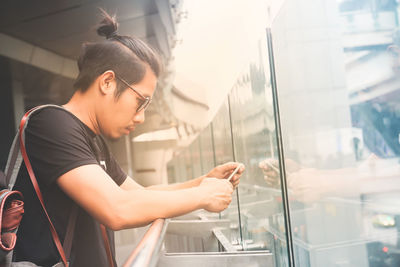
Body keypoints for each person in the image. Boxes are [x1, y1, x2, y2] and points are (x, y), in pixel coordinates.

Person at [12, 10, 244, 267]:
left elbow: (139, 195)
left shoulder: (93, 141)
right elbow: (118, 208)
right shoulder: (51, 125)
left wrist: (203, 182)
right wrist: (203, 197)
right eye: (140, 101)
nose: (141, 117)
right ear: (108, 82)